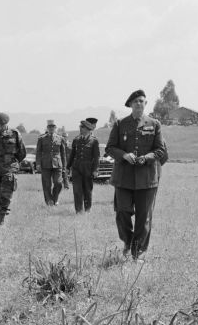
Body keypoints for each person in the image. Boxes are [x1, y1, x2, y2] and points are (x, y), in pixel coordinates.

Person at [106, 90, 166, 260]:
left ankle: (137, 253)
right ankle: (127, 241)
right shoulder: (120, 124)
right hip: (124, 177)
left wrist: (146, 158)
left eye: (141, 101)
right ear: (130, 105)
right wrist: (124, 155)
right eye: (135, 101)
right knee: (122, 212)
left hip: (147, 178)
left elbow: (160, 150)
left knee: (144, 217)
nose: (139, 104)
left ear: (146, 103)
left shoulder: (155, 124)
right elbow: (110, 147)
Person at [0, 112, 26, 226]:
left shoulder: (14, 133)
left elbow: (22, 152)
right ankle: (0, 211)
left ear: (5, 123)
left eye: (0, 124)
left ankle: (1, 216)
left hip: (9, 167)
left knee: (6, 192)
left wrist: (12, 163)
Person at [67, 118, 100, 214]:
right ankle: (79, 210)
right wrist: (68, 167)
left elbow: (96, 157)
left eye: (82, 127)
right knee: (77, 190)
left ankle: (87, 209)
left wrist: (95, 170)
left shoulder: (94, 141)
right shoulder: (76, 140)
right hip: (76, 168)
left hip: (88, 169)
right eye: (80, 127)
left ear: (88, 129)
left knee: (87, 190)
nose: (80, 128)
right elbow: (72, 155)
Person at [36, 120, 66, 206]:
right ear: (47, 128)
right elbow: (38, 152)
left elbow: (63, 154)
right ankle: (49, 201)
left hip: (57, 164)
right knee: (46, 184)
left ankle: (55, 198)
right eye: (49, 127)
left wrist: (64, 166)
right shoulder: (41, 138)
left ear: (55, 128)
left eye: (53, 127)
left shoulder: (60, 138)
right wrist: (38, 163)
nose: (51, 128)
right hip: (45, 163)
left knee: (58, 183)